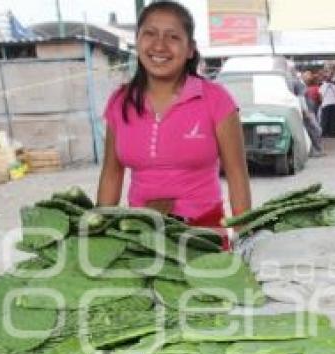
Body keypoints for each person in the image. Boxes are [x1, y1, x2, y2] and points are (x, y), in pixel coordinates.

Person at [97, 0, 249, 236]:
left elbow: (237, 175)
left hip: (203, 234)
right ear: (137, 41)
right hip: (140, 235)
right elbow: (111, 174)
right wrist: (98, 235)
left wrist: (244, 237)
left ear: (190, 49)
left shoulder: (216, 100)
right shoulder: (120, 102)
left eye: (173, 37)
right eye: (149, 34)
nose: (159, 45)